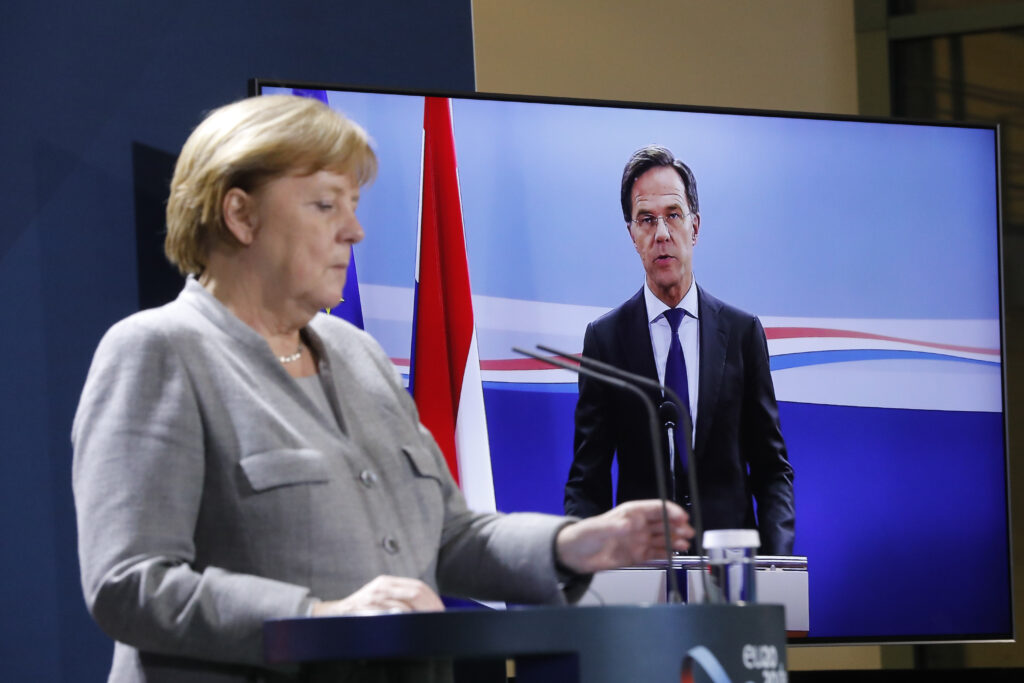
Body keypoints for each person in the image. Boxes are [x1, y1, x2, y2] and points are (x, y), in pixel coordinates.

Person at [71, 97, 694, 683]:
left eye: (353, 204)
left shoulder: (358, 357)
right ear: (241, 215)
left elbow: (447, 535)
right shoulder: (159, 352)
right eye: (325, 205)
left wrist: (570, 545)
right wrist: (319, 618)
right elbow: (131, 583)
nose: (354, 230)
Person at [564, 145, 794, 556]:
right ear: (632, 235)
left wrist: (776, 568)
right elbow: (588, 480)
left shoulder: (742, 334)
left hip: (731, 572)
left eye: (673, 215)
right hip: (642, 572)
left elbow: (771, 469)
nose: (662, 234)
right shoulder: (605, 341)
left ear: (695, 226)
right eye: (646, 219)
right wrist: (584, 566)